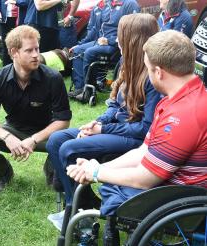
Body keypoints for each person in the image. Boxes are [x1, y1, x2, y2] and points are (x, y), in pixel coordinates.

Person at [67, 30, 207, 245]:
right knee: (109, 180)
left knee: (111, 187)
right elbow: (143, 150)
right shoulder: (180, 98)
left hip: (183, 201)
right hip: (178, 188)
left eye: (148, 69)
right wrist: (98, 167)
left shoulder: (183, 115)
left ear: (158, 72)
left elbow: (144, 179)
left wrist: (96, 172)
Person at [46, 14, 161, 227]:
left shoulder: (152, 78)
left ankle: (76, 211)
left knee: (69, 148)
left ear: (134, 40)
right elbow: (115, 105)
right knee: (56, 140)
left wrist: (103, 128)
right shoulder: (127, 64)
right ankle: (85, 203)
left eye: (121, 36)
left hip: (134, 138)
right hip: (117, 129)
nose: (116, 40)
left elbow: (146, 129)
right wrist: (96, 123)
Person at [0, 25, 72, 193]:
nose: (36, 55)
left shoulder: (53, 78)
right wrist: (7, 137)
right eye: (29, 50)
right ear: (13, 52)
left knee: (67, 141)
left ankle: (51, 170)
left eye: (37, 49)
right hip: (14, 129)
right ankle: (5, 173)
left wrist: (33, 139)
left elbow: (63, 120)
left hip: (46, 133)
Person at [68, 0, 140, 98]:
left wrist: (110, 41)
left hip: (116, 45)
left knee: (89, 52)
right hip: (100, 42)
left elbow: (133, 31)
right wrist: (80, 44)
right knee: (78, 51)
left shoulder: (130, 4)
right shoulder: (107, 5)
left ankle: (88, 91)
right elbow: (95, 30)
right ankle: (79, 88)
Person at [0, 0, 18, 66]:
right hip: (5, 19)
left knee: (19, 44)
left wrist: (16, 2)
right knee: (6, 44)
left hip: (19, 18)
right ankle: (6, 69)